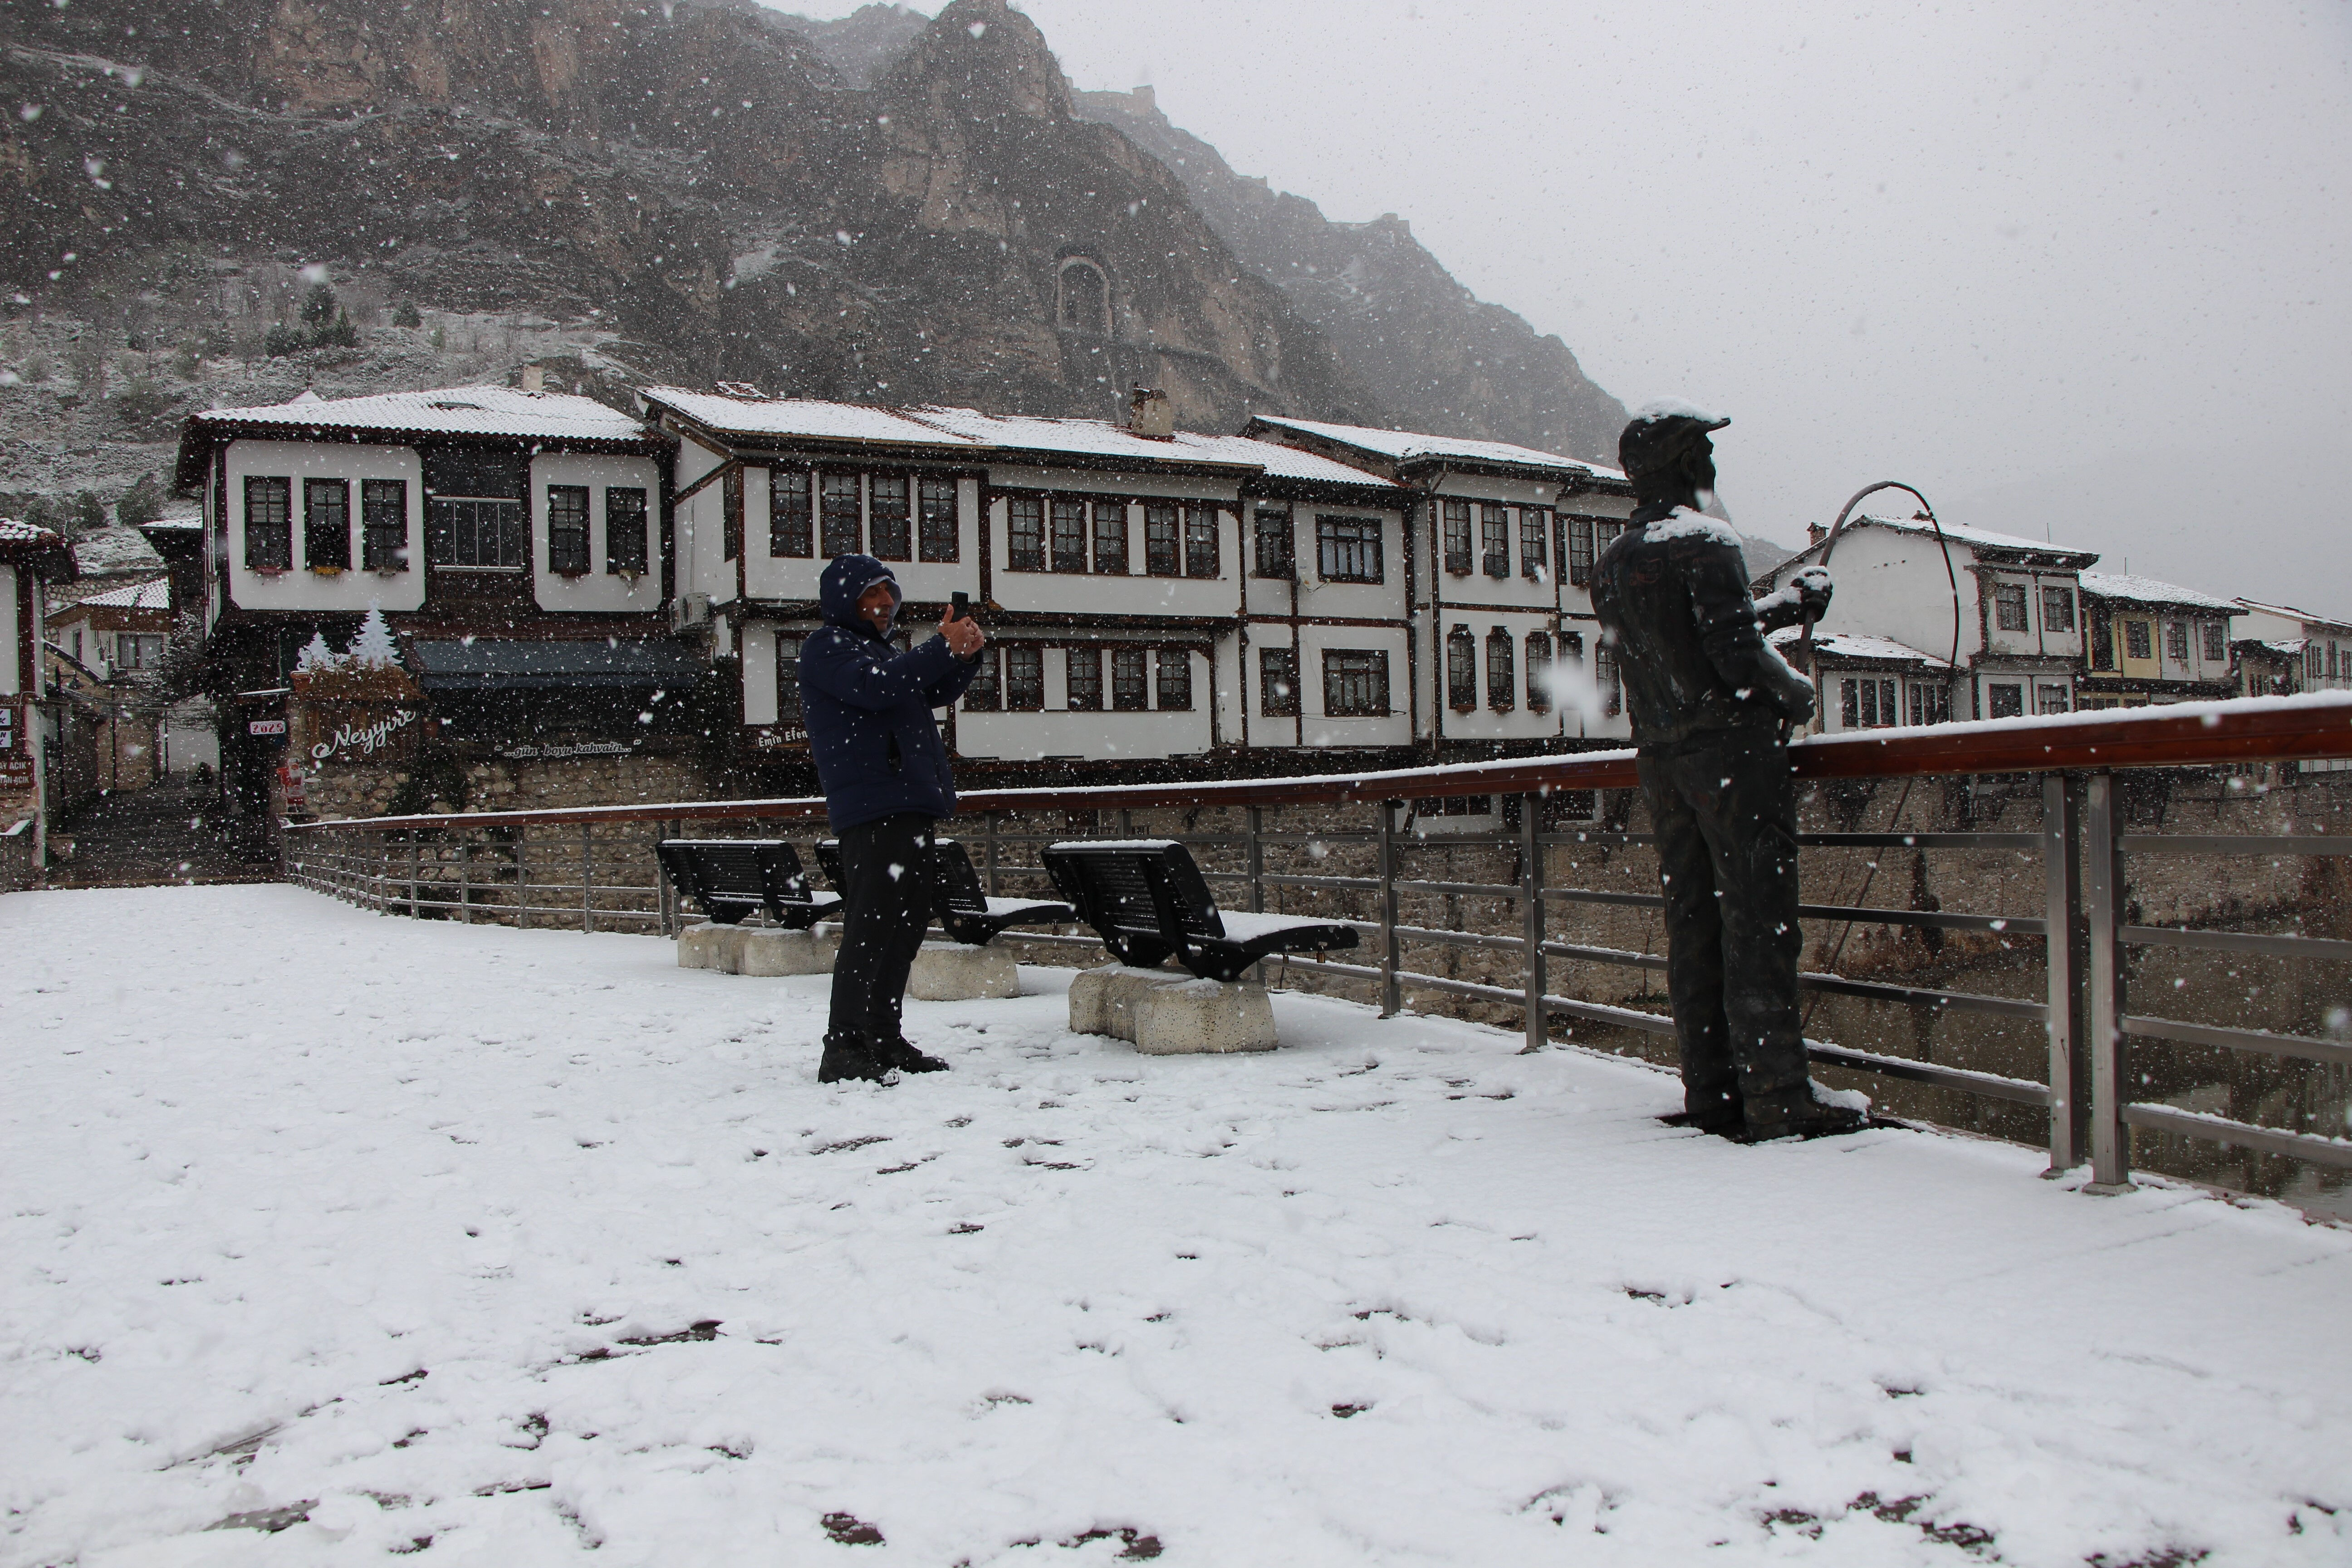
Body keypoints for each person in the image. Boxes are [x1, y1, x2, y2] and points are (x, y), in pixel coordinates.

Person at [1590, 400, 1862, 1142]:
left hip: (1664, 761)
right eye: (1701, 450)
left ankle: (1710, 1088)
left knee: (1694, 925)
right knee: (1756, 922)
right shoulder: (1707, 541)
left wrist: (1777, 606)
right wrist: (1796, 692)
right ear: (1682, 462)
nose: (1710, 463)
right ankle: (1776, 1092)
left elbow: (1691, 635)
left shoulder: (1613, 562)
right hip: (1731, 758)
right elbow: (1732, 657)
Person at [799, 554, 988, 1083]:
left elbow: (930, 689)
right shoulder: (827, 649)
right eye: (871, 594)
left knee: (904, 927)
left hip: (907, 805)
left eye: (888, 593)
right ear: (845, 600)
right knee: (871, 929)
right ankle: (844, 1046)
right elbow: (881, 687)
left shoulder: (876, 652)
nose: (884, 604)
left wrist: (964, 656)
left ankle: (882, 1035)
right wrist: (940, 646)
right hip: (875, 808)